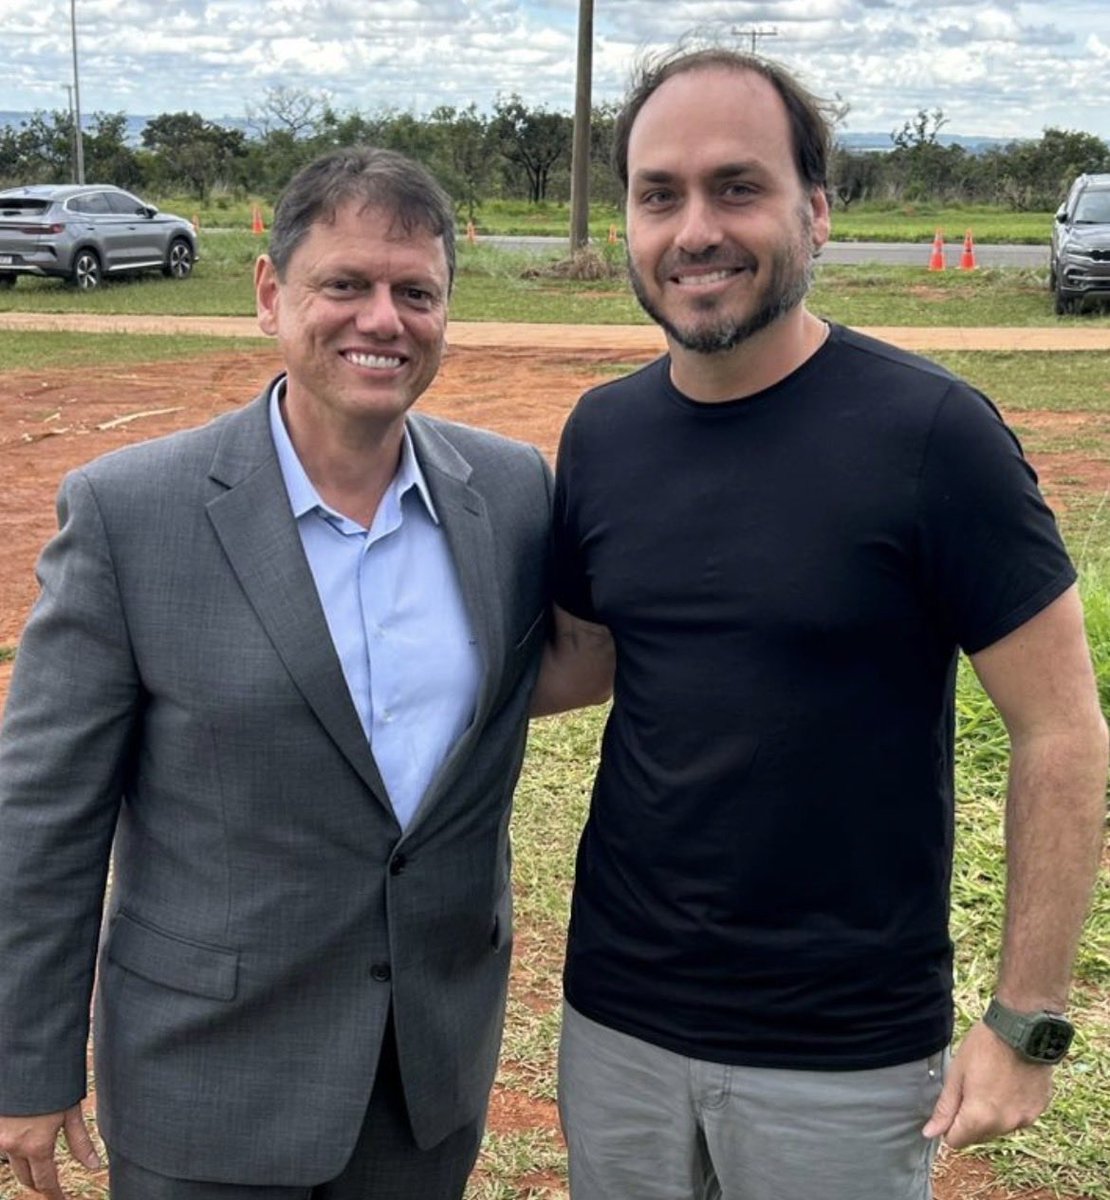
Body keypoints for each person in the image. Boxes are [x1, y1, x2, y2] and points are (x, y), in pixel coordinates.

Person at [532, 47, 1108, 1200]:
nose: (696, 230)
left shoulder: (933, 436)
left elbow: (1062, 732)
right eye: (660, 194)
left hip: (843, 1049)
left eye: (737, 187)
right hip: (617, 1021)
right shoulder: (603, 434)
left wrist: (1026, 1018)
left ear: (818, 211)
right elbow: (582, 659)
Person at [0, 145, 552, 1200]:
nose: (382, 319)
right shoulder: (131, 514)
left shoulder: (514, 494)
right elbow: (45, 811)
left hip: (423, 1077)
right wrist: (26, 1059)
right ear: (269, 293)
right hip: (209, 1078)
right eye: (344, 284)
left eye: (416, 292)